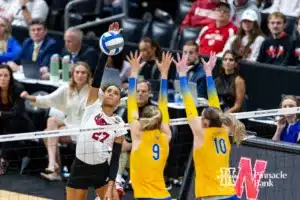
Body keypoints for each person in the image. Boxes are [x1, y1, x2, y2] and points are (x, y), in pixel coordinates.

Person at [174, 52, 246, 200]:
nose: (199, 118)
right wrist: (208, 73)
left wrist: (182, 76)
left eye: (202, 117)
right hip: (229, 193)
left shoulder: (200, 131)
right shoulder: (225, 129)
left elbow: (189, 104)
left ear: (205, 122)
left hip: (211, 195)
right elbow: (215, 104)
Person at [66, 22, 126, 200]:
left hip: (101, 169)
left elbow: (115, 158)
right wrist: (107, 49)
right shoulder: (93, 106)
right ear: (103, 95)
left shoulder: (120, 124)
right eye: (109, 91)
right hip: (80, 167)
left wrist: (111, 184)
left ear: (118, 101)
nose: (112, 94)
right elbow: (98, 74)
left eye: (116, 93)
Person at [20, 61, 92, 181]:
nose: (80, 75)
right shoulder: (67, 88)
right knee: (51, 122)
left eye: (83, 73)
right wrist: (28, 97)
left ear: (88, 75)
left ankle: (55, 171)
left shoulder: (93, 91)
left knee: (47, 134)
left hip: (86, 130)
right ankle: (53, 164)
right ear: (73, 74)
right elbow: (47, 99)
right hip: (70, 125)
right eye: (77, 72)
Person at [127, 51, 172, 199]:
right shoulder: (166, 136)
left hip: (146, 196)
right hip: (162, 195)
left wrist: (133, 72)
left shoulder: (137, 135)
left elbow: (131, 102)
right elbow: (163, 105)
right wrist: (164, 74)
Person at [0, 64, 34, 175]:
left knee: (11, 123)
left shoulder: (18, 88)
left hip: (21, 123)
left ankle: (3, 161)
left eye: (6, 75)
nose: (3, 78)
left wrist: (1, 114)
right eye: (0, 75)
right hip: (4, 121)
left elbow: (17, 112)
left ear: (10, 77)